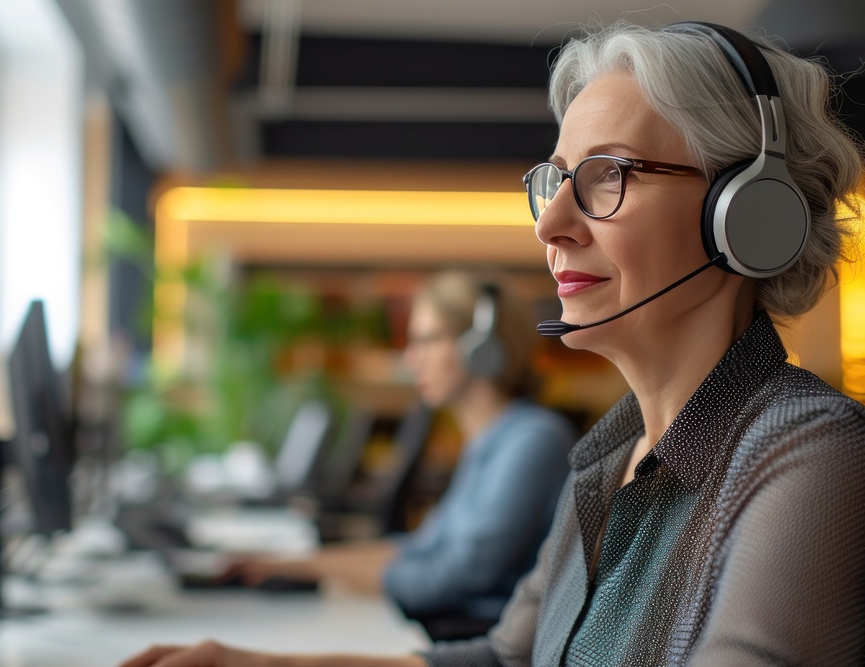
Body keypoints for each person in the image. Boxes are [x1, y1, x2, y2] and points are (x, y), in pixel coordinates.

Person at [118, 20, 865, 667]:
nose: (550, 225)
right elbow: (505, 658)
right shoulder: (607, 456)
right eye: (556, 181)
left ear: (746, 214)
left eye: (607, 175)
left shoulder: (811, 456)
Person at [224, 270, 576, 639]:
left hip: (475, 643)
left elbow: (452, 578)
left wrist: (331, 578)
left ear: (480, 346)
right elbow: (420, 550)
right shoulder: (490, 441)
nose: (411, 361)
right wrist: (294, 565)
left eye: (426, 341)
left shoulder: (533, 440)